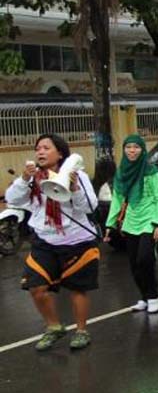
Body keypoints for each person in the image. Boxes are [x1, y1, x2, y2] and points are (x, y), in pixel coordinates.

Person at [5, 134, 99, 351]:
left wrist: (74, 189)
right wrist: (22, 179)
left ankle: (81, 330)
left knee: (78, 288)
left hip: (77, 241)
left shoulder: (77, 176)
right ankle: (54, 327)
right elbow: (13, 199)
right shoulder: (33, 178)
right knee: (36, 287)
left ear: (60, 152)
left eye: (46, 148)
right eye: (38, 148)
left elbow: (89, 207)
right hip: (45, 240)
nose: (40, 152)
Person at [105, 135, 158, 314]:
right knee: (134, 264)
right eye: (128, 147)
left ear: (143, 150)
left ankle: (153, 296)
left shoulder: (151, 170)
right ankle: (144, 297)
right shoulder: (121, 172)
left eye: (136, 147)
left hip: (150, 221)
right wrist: (110, 224)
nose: (132, 151)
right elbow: (117, 199)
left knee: (145, 259)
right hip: (131, 222)